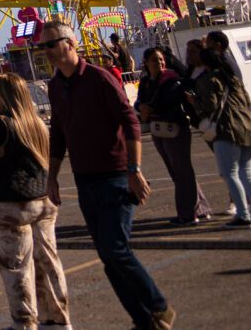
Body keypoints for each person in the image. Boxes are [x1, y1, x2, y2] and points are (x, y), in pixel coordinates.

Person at [41, 17, 172, 330]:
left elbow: (130, 121)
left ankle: (159, 306)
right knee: (107, 256)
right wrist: (53, 176)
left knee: (115, 248)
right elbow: (58, 132)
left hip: (114, 174)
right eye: (41, 46)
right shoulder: (55, 85)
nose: (44, 51)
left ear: (70, 43)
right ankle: (144, 320)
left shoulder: (99, 79)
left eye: (49, 44)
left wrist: (134, 170)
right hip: (84, 178)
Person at [0, 73, 68, 330]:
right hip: (41, 198)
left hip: (9, 201)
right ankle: (56, 318)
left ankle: (24, 322)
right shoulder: (36, 123)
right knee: (47, 261)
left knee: (15, 265)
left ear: (4, 95)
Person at [191, 31, 251, 226]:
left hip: (227, 129)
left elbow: (209, 106)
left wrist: (194, 102)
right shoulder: (232, 79)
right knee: (246, 171)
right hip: (247, 125)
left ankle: (243, 214)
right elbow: (247, 100)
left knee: (230, 173)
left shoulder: (208, 80)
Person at [136, 47, 209, 225]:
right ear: (146, 63)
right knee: (175, 170)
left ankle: (187, 213)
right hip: (158, 129)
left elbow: (172, 99)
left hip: (175, 127)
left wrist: (150, 107)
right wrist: (141, 107)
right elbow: (138, 100)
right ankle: (200, 208)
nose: (159, 63)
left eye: (161, 59)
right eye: (154, 60)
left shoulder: (172, 79)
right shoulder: (146, 82)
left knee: (182, 170)